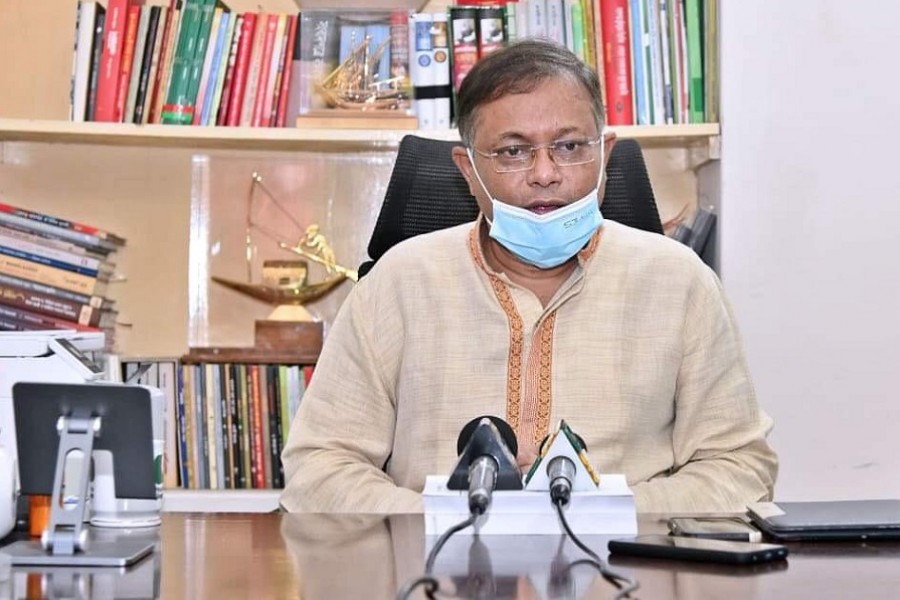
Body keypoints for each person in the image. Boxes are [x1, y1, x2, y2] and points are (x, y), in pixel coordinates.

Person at [280, 39, 777, 514]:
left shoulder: (681, 282)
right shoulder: (397, 283)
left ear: (604, 155)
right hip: (433, 560)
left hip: (624, 560)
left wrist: (602, 514)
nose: (544, 173)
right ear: (468, 169)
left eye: (569, 146)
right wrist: (444, 520)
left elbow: (739, 469)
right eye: (513, 152)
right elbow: (319, 468)